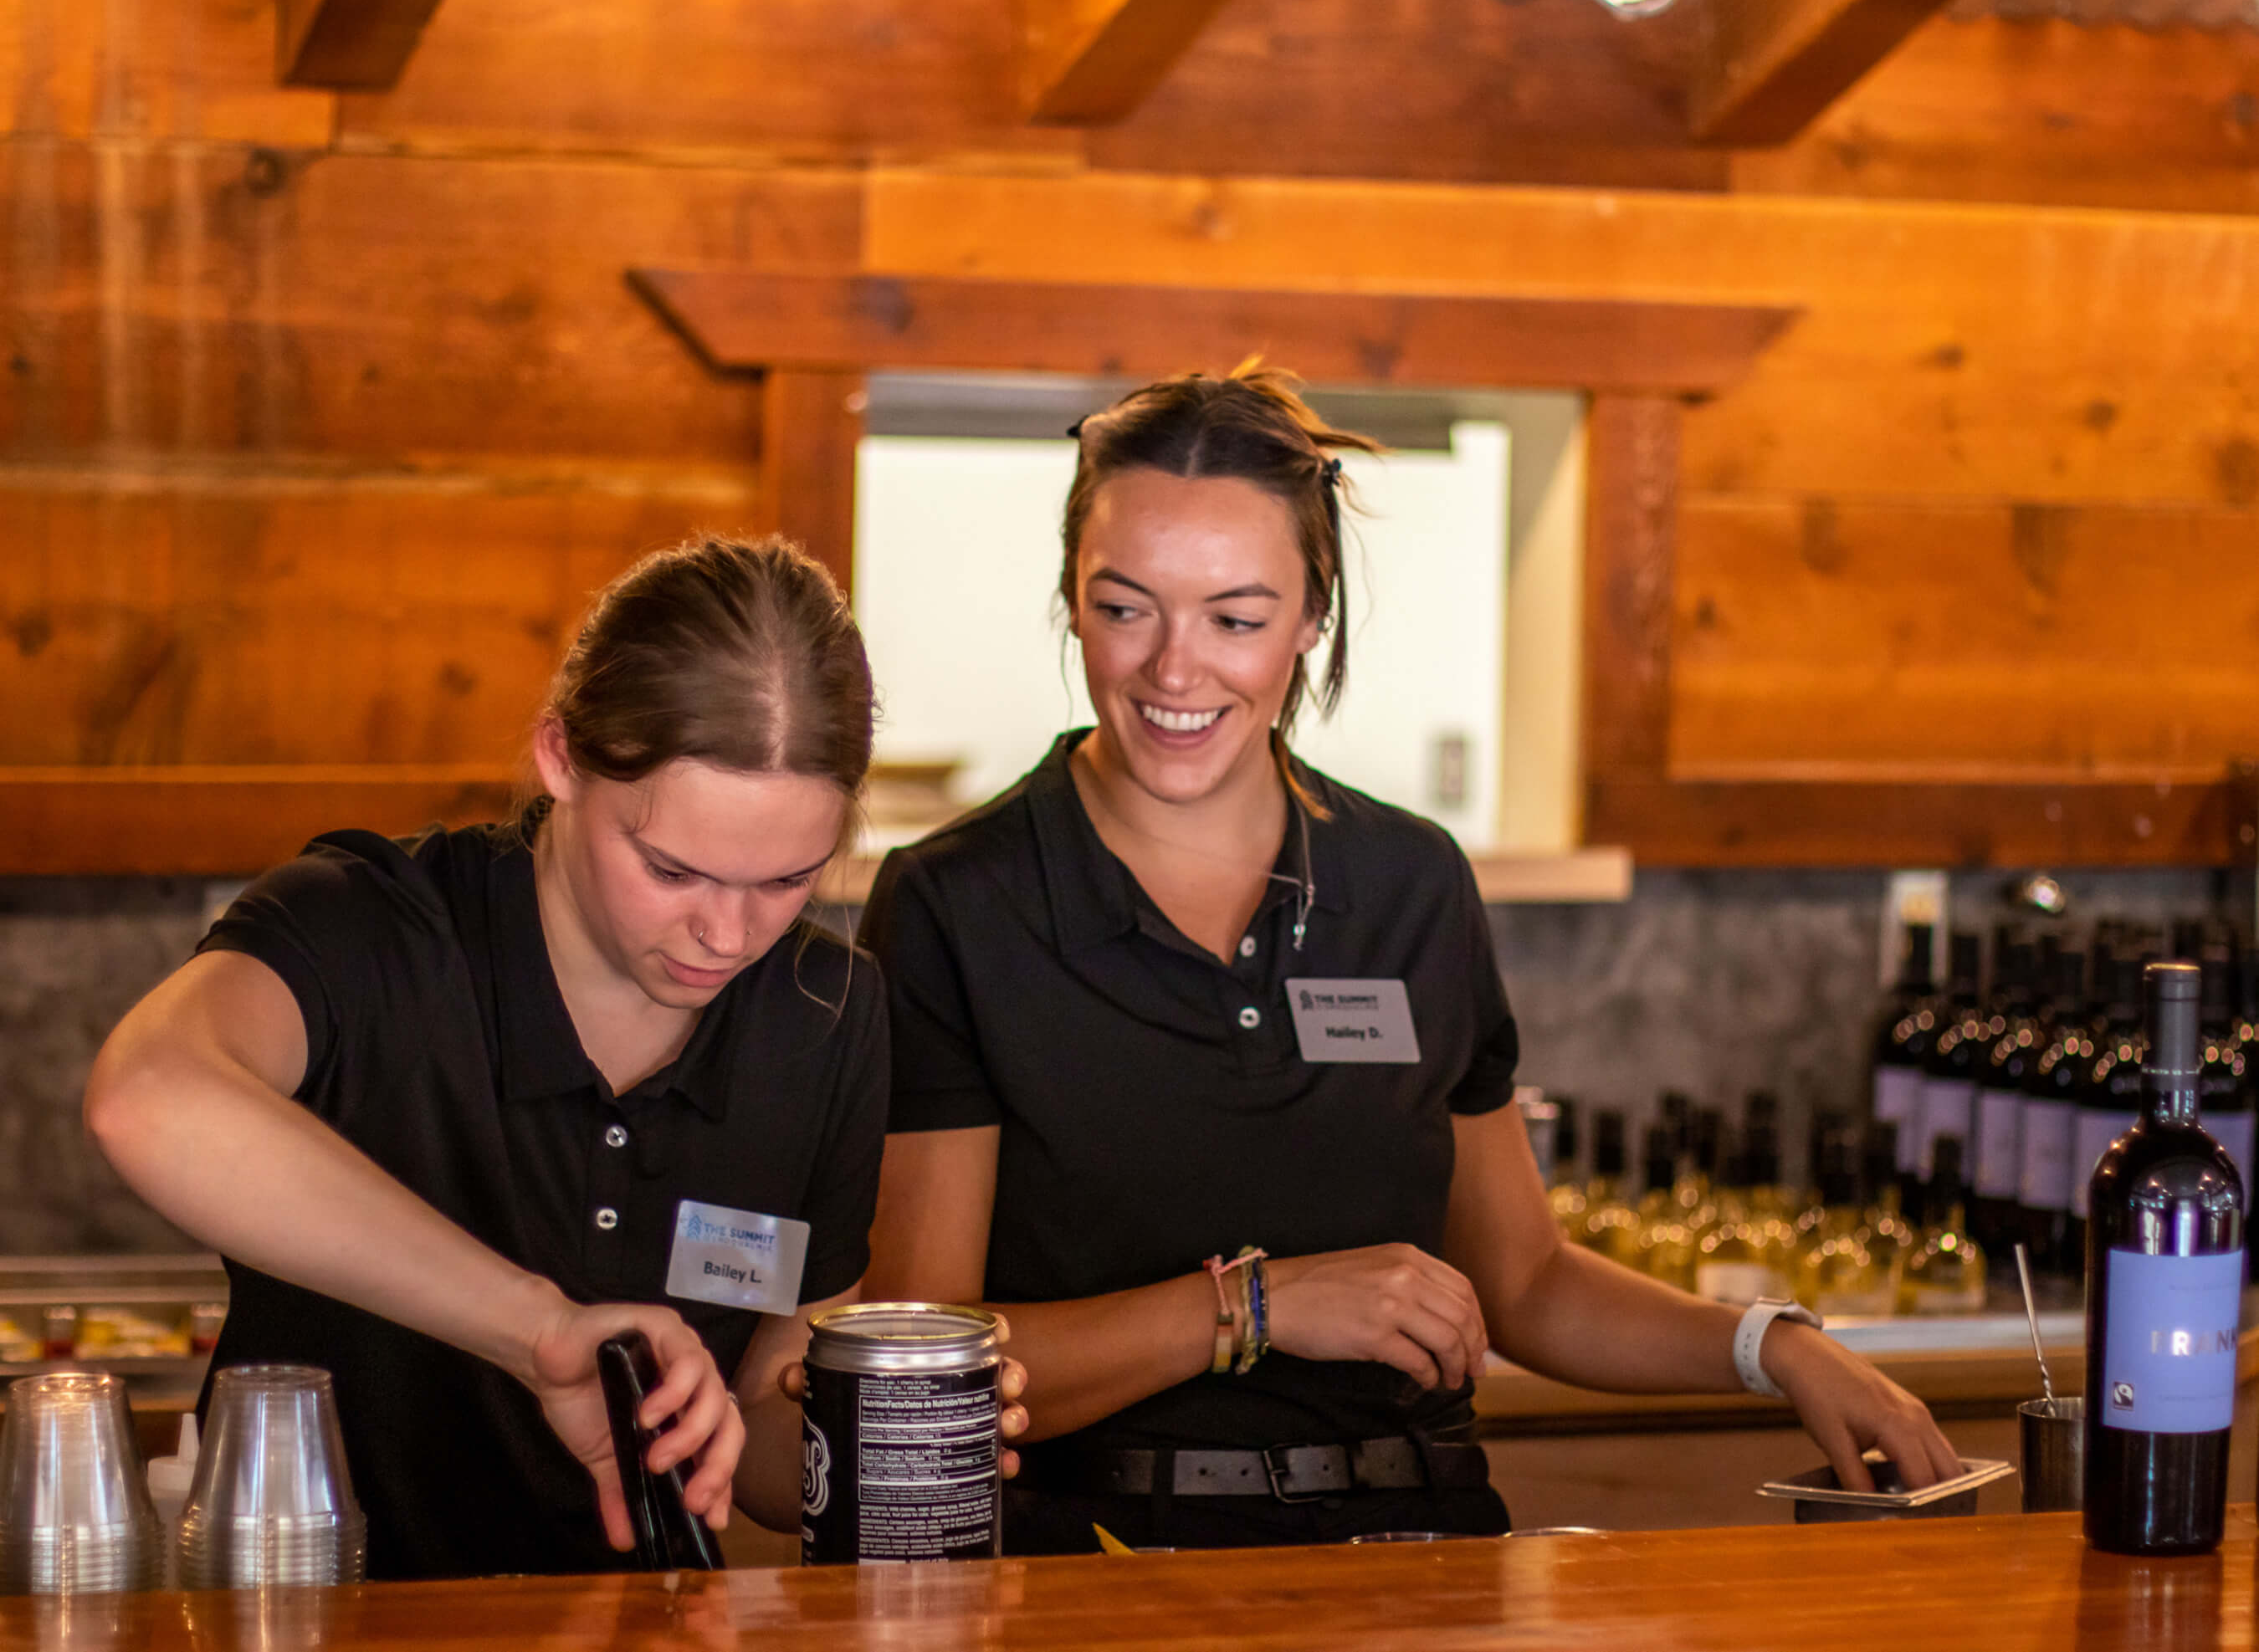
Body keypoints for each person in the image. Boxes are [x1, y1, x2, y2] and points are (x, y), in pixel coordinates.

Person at [858, 366, 1961, 1553]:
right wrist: (1255, 1307)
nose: (1175, 671)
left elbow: (1525, 1281)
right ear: (1073, 601)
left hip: (1418, 1551)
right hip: (1097, 1567)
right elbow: (925, 1374)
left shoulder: (1409, 883)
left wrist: (1772, 1346)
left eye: (1236, 618)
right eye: (1127, 608)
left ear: (1310, 621)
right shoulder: (956, 904)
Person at [86, 537, 1022, 1580]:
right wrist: (538, 1330)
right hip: (317, 1615)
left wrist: (885, 1439)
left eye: (787, 879)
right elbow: (147, 1098)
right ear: (560, 757)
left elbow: (756, 1453)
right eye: (672, 869)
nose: (728, 933)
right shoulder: (367, 931)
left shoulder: (826, 1014)